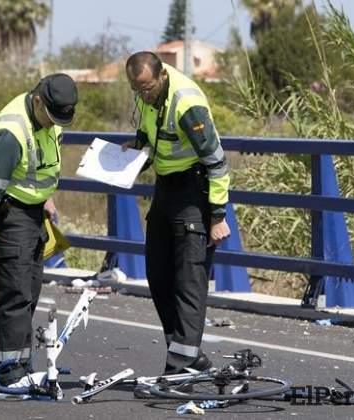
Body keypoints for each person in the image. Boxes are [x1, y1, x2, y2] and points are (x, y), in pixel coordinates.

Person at [124, 51, 231, 375]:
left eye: (147, 88)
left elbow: (217, 163)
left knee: (189, 280)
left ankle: (181, 365)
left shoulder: (186, 104)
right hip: (165, 188)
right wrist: (132, 152)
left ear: (162, 77)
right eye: (136, 89)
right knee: (158, 275)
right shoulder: (145, 95)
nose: (143, 94)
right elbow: (148, 136)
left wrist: (217, 216)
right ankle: (187, 355)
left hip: (193, 192)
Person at [0, 73, 78, 385]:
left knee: (30, 290)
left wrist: (47, 198)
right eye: (51, 116)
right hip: (11, 214)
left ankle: (22, 365)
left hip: (34, 214)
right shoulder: (11, 132)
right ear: (38, 100)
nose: (53, 123)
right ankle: (9, 372)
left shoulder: (51, 119)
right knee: (15, 294)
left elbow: (42, 164)